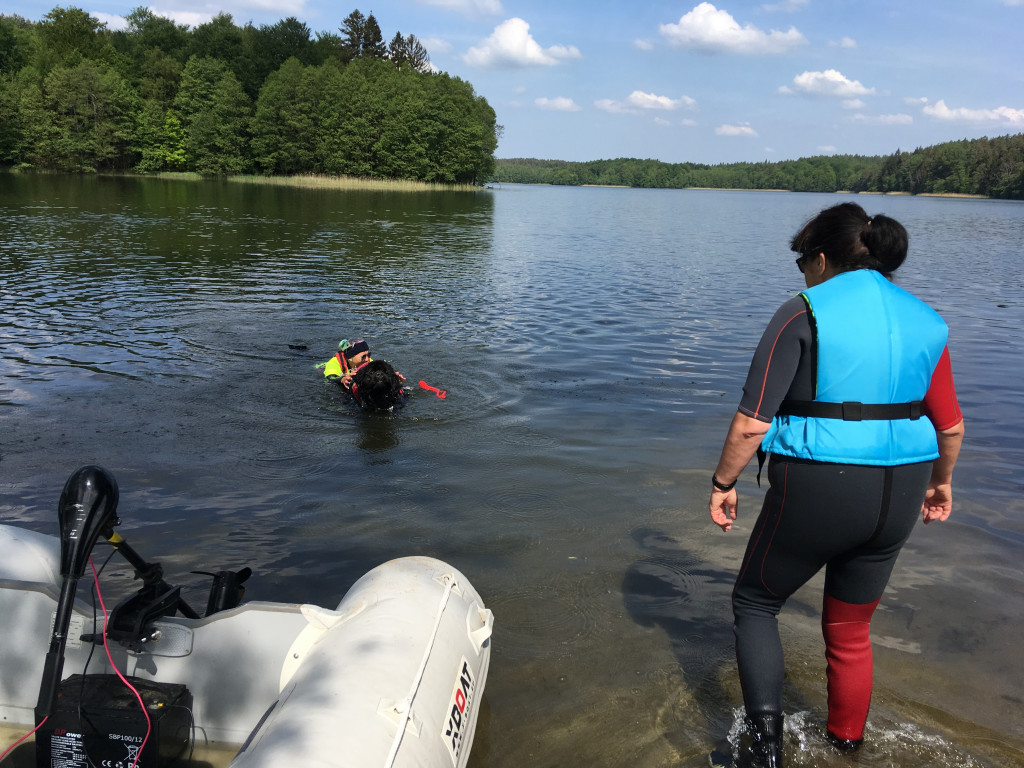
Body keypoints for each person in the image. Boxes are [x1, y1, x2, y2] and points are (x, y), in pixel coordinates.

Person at [706, 203, 965, 768]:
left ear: (822, 259)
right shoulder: (926, 318)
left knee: (755, 601)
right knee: (850, 628)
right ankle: (848, 747)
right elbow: (950, 424)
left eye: (803, 262)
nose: (801, 274)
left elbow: (753, 422)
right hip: (901, 491)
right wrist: (940, 483)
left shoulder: (801, 313)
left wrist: (723, 482)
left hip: (822, 483)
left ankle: (766, 753)